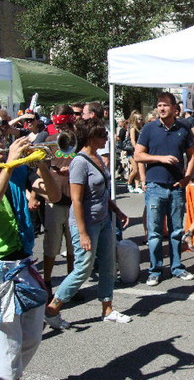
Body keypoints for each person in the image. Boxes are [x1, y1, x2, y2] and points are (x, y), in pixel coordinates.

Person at [0, 119, 60, 379]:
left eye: (0, 139)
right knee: (8, 349)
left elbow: (55, 196)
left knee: (32, 338)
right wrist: (10, 164)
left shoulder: (18, 172)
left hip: (24, 264)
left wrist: (41, 166)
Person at [44, 118, 131, 329]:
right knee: (83, 268)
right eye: (102, 135)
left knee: (109, 266)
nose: (106, 138)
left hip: (103, 221)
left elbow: (101, 193)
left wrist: (116, 210)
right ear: (91, 138)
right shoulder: (80, 162)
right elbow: (76, 200)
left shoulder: (99, 159)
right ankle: (52, 308)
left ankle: (107, 308)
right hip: (87, 223)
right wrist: (82, 233)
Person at [134, 92, 194, 286]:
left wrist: (187, 178)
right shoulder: (149, 129)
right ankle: (155, 270)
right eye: (159, 105)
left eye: (165, 105)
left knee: (176, 230)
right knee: (154, 232)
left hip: (176, 187)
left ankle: (177, 267)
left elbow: (193, 155)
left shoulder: (184, 129)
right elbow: (138, 155)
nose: (161, 109)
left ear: (174, 108)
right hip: (155, 186)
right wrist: (160, 158)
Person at [42, 105, 78, 299]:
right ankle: (47, 283)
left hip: (74, 200)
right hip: (55, 200)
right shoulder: (49, 141)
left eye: (65, 124)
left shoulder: (78, 141)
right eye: (60, 125)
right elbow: (41, 170)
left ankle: (70, 286)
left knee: (73, 247)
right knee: (52, 246)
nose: (63, 129)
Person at [126, 110, 144, 193]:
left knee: (139, 170)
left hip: (137, 151)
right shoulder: (133, 128)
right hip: (132, 151)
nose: (140, 120)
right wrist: (137, 149)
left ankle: (137, 186)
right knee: (135, 169)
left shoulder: (141, 128)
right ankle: (129, 183)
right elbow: (133, 140)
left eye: (141, 119)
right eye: (139, 119)